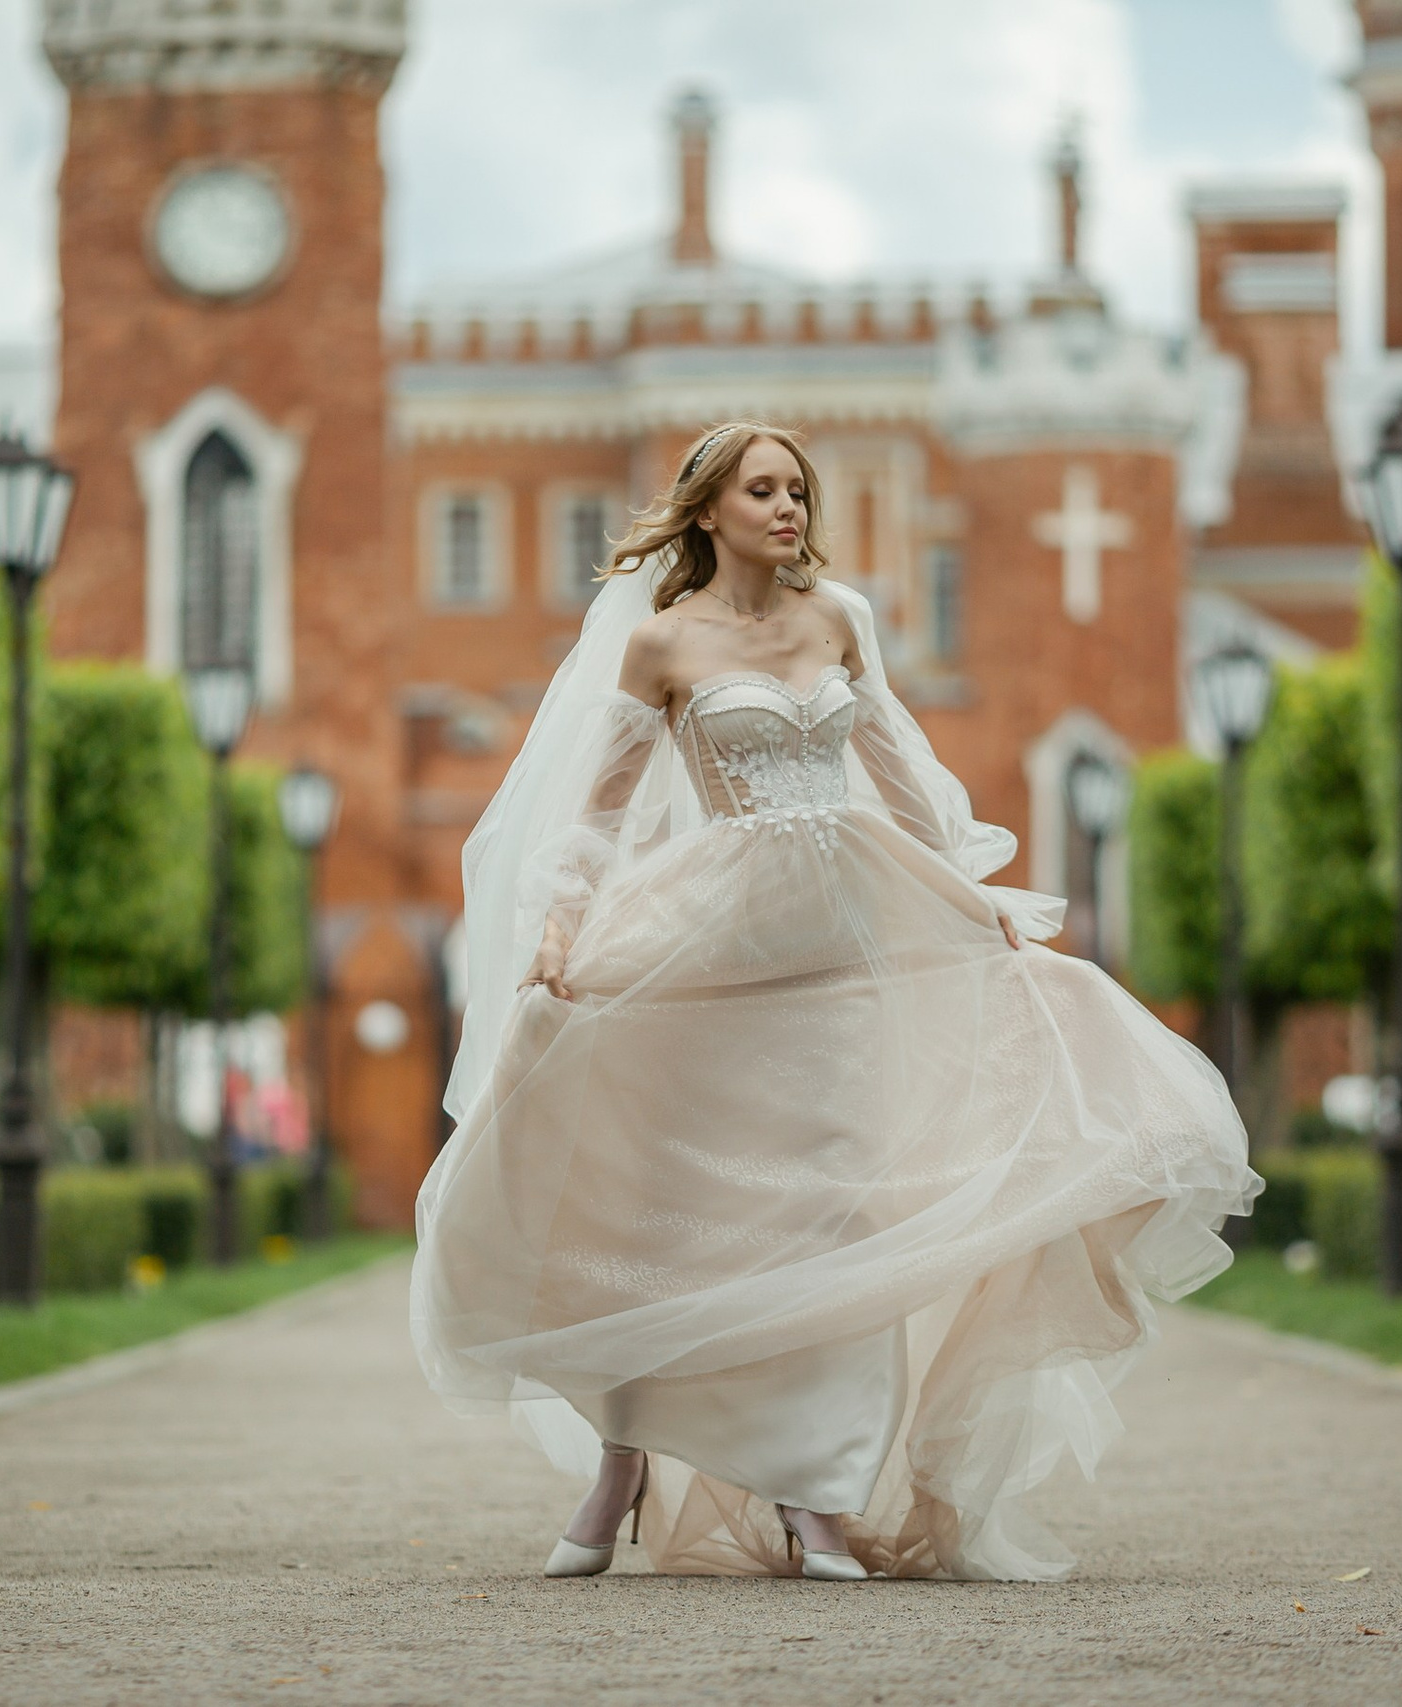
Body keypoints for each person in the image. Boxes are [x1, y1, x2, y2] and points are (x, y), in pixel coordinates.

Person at [411, 421, 1257, 1582]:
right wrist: (559, 930)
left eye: (796, 489)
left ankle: (818, 1498)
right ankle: (621, 1467)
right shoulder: (659, 646)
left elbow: (902, 768)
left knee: (840, 1213)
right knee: (667, 1224)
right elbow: (599, 814)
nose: (788, 506)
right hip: (708, 943)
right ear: (709, 509)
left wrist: (972, 889)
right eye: (762, 489)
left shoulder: (840, 619)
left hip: (846, 938)